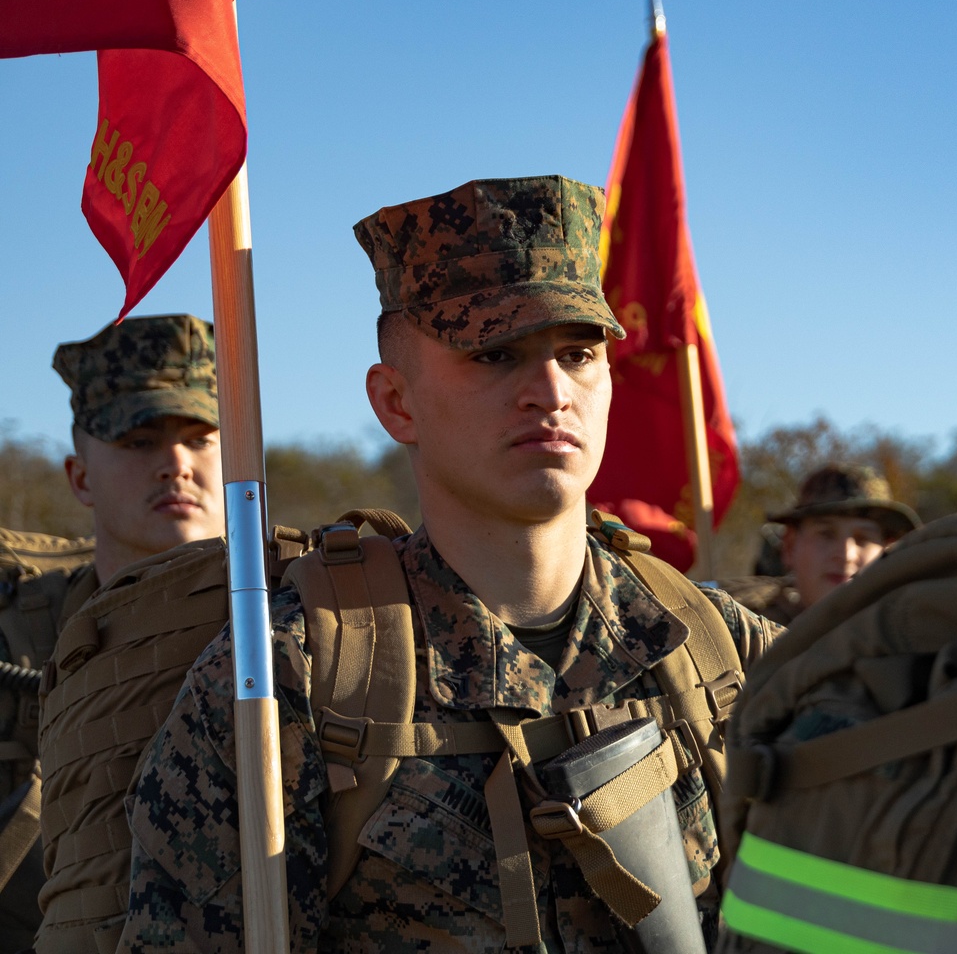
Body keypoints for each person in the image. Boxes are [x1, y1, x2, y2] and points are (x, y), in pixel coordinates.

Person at [116, 176, 781, 954]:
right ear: (396, 403)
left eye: (578, 354)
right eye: (494, 353)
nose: (550, 391)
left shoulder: (725, 653)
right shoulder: (288, 681)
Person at [0, 314, 225, 953]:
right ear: (80, 477)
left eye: (202, 438)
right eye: (138, 441)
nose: (176, 464)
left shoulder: (309, 625)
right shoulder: (16, 636)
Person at [722, 464, 920, 626]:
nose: (845, 554)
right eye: (826, 534)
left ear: (888, 552)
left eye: (863, 539)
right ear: (790, 546)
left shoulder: (919, 635)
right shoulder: (737, 632)